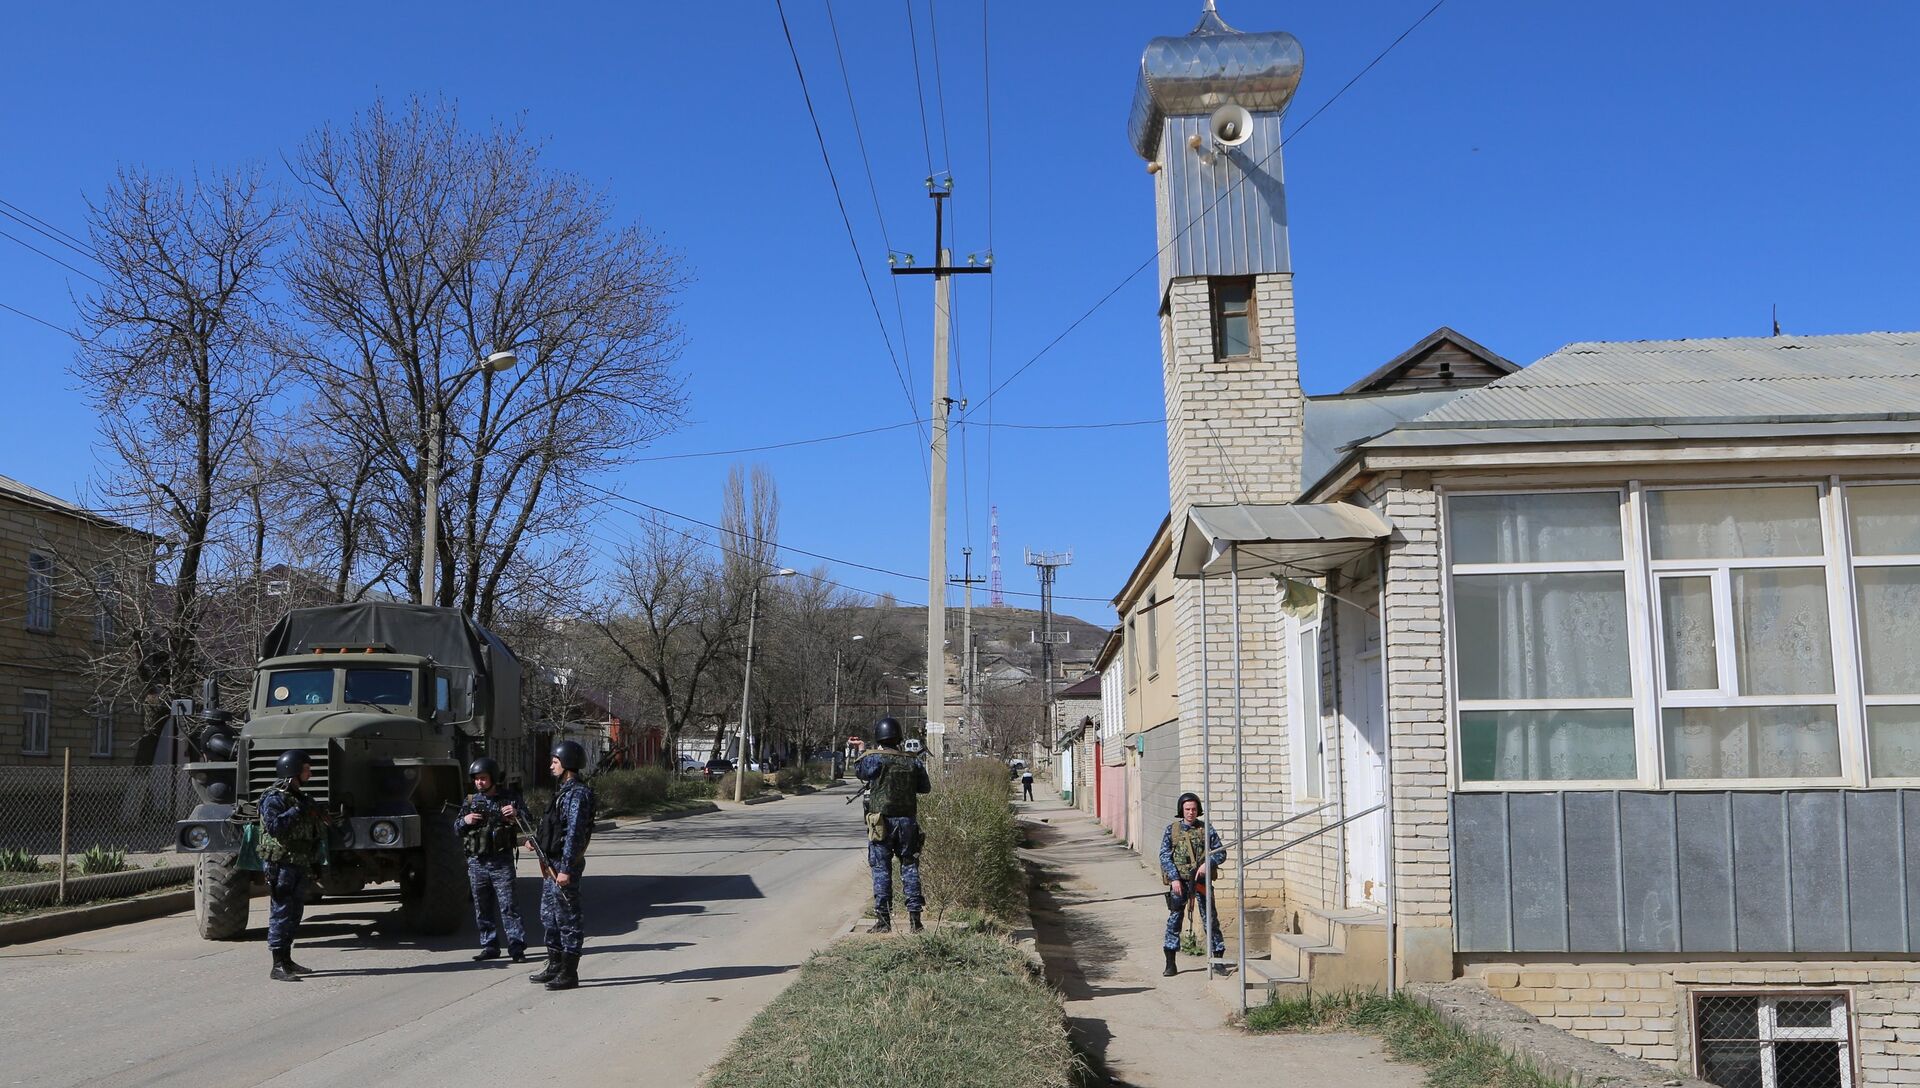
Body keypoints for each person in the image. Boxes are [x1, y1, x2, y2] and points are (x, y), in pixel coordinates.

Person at [527, 739, 595, 991]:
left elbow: (575, 834)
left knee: (568, 918)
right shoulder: (563, 792)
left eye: (555, 762)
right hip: (551, 863)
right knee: (549, 916)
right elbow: (555, 828)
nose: (551, 766)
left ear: (567, 764)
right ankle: (554, 965)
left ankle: (569, 972)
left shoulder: (578, 794)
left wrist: (566, 868)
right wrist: (538, 843)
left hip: (564, 865)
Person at [257, 749, 327, 982]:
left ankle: (287, 960)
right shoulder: (274, 798)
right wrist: (298, 810)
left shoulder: (300, 797)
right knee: (281, 914)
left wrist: (316, 862)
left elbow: (314, 832)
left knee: (295, 914)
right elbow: (275, 826)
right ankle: (277, 965)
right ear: (293, 771)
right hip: (282, 865)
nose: (310, 773)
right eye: (306, 769)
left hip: (300, 863)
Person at [856, 717, 931, 934]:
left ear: (879, 736)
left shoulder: (874, 759)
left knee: (881, 870)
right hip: (907, 822)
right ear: (899, 737)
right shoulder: (912, 761)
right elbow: (924, 788)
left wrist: (861, 749)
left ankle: (883, 921)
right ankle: (915, 921)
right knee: (909, 867)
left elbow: (860, 771)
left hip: (881, 822)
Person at [458, 756, 526, 963]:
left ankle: (516, 948)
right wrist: (465, 820)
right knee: (482, 907)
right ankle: (489, 945)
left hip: (501, 862)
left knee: (509, 907)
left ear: (493, 778)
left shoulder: (509, 799)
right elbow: (456, 828)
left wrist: (516, 814)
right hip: (477, 863)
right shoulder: (470, 801)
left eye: (483, 778)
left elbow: (528, 820)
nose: (479, 782)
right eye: (477, 779)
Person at [1159, 791, 1228, 978]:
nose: (1191, 812)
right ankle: (1170, 963)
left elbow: (1221, 852)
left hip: (1201, 882)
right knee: (1174, 920)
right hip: (1179, 882)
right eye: (1187, 809)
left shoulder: (1207, 829)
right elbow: (1164, 856)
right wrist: (1174, 878)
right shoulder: (1172, 830)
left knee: (1210, 920)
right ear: (1181, 810)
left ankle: (1218, 960)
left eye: (1194, 809)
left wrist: (1209, 864)